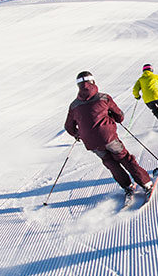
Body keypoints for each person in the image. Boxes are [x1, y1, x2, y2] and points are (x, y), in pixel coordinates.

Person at [65, 71, 153, 199]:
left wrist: (78, 134)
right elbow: (119, 116)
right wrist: (114, 117)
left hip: (91, 143)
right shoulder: (103, 98)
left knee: (110, 162)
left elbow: (68, 127)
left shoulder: (74, 105)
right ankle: (146, 184)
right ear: (93, 82)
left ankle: (127, 186)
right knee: (125, 158)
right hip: (109, 138)